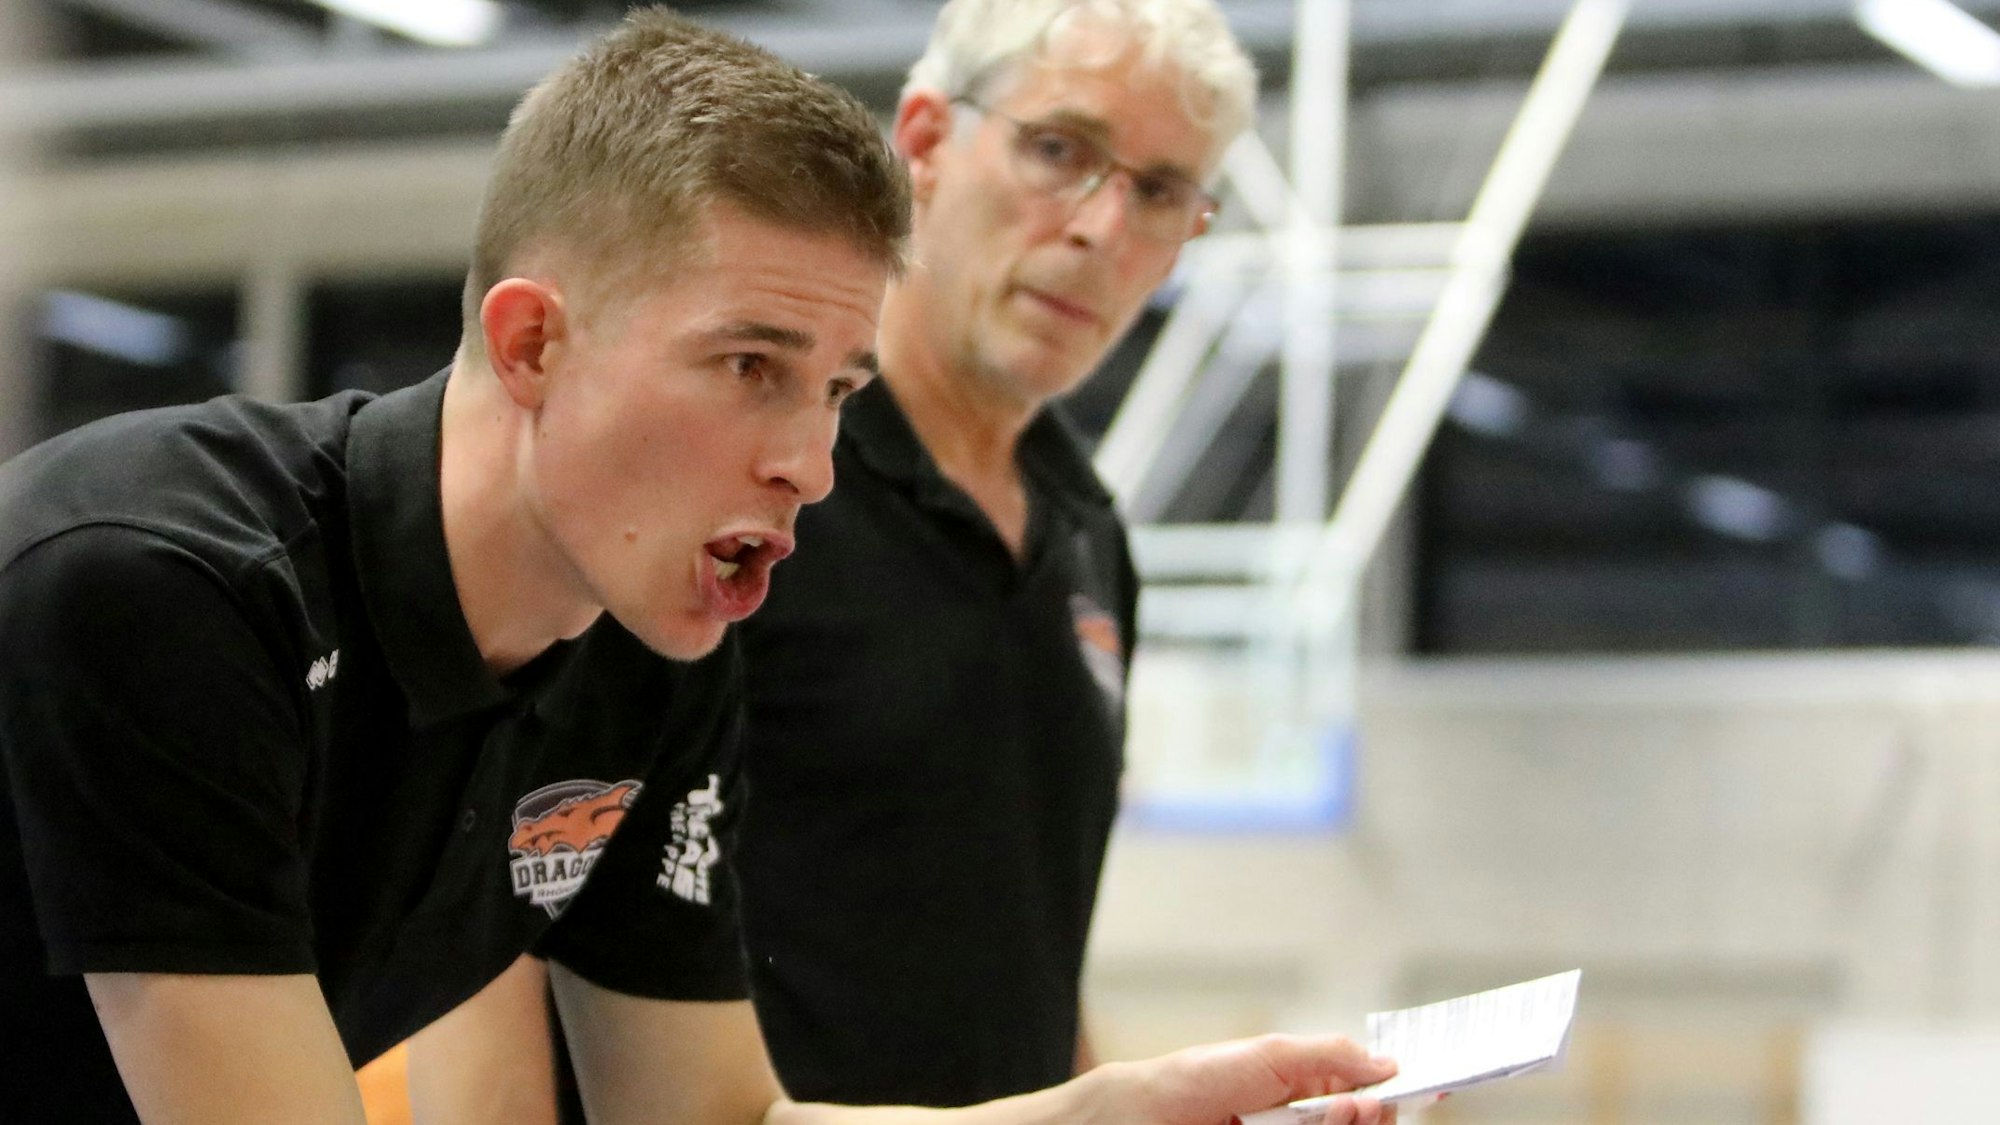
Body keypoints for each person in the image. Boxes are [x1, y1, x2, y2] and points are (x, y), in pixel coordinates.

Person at [0, 6, 1397, 1125]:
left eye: (838, 389)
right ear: (533, 343)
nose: (811, 465)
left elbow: (716, 1117)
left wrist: (1099, 1110)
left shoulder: (647, 644)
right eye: (748, 368)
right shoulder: (165, 582)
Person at [409, 0, 1323, 1120]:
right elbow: (492, 901)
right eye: (1058, 150)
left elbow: (1026, 959)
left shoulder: (1088, 534)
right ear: (927, 141)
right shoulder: (731, 482)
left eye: (1161, 191)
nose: (1101, 229)